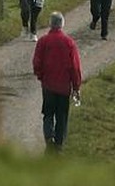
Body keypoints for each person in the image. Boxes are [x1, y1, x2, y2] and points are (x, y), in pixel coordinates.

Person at [31, 11, 82, 151]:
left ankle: (49, 138)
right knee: (62, 116)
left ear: (50, 24)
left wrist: (41, 76)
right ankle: (58, 144)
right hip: (64, 87)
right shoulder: (69, 42)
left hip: (48, 85)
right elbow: (75, 67)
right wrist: (76, 86)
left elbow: (36, 62)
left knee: (48, 113)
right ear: (62, 24)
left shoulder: (42, 41)